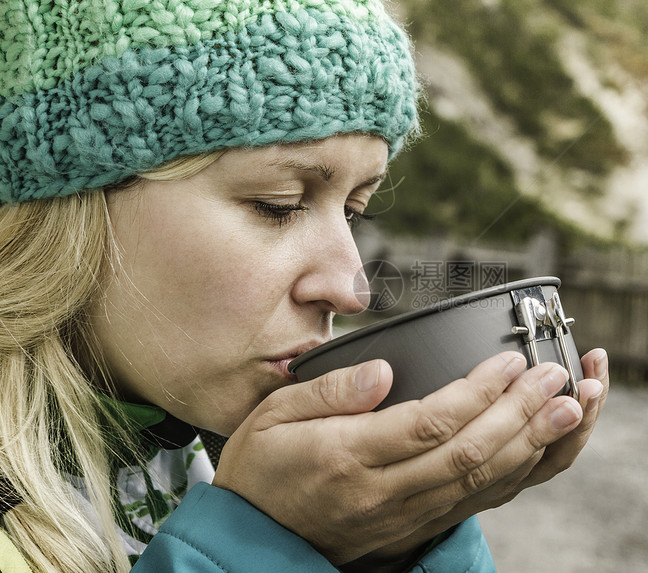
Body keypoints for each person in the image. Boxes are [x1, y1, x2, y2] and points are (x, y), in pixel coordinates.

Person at [0, 1, 610, 571]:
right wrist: (257, 540)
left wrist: (391, 544)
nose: (352, 291)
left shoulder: (198, 439)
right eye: (279, 204)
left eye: (354, 212)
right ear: (67, 207)